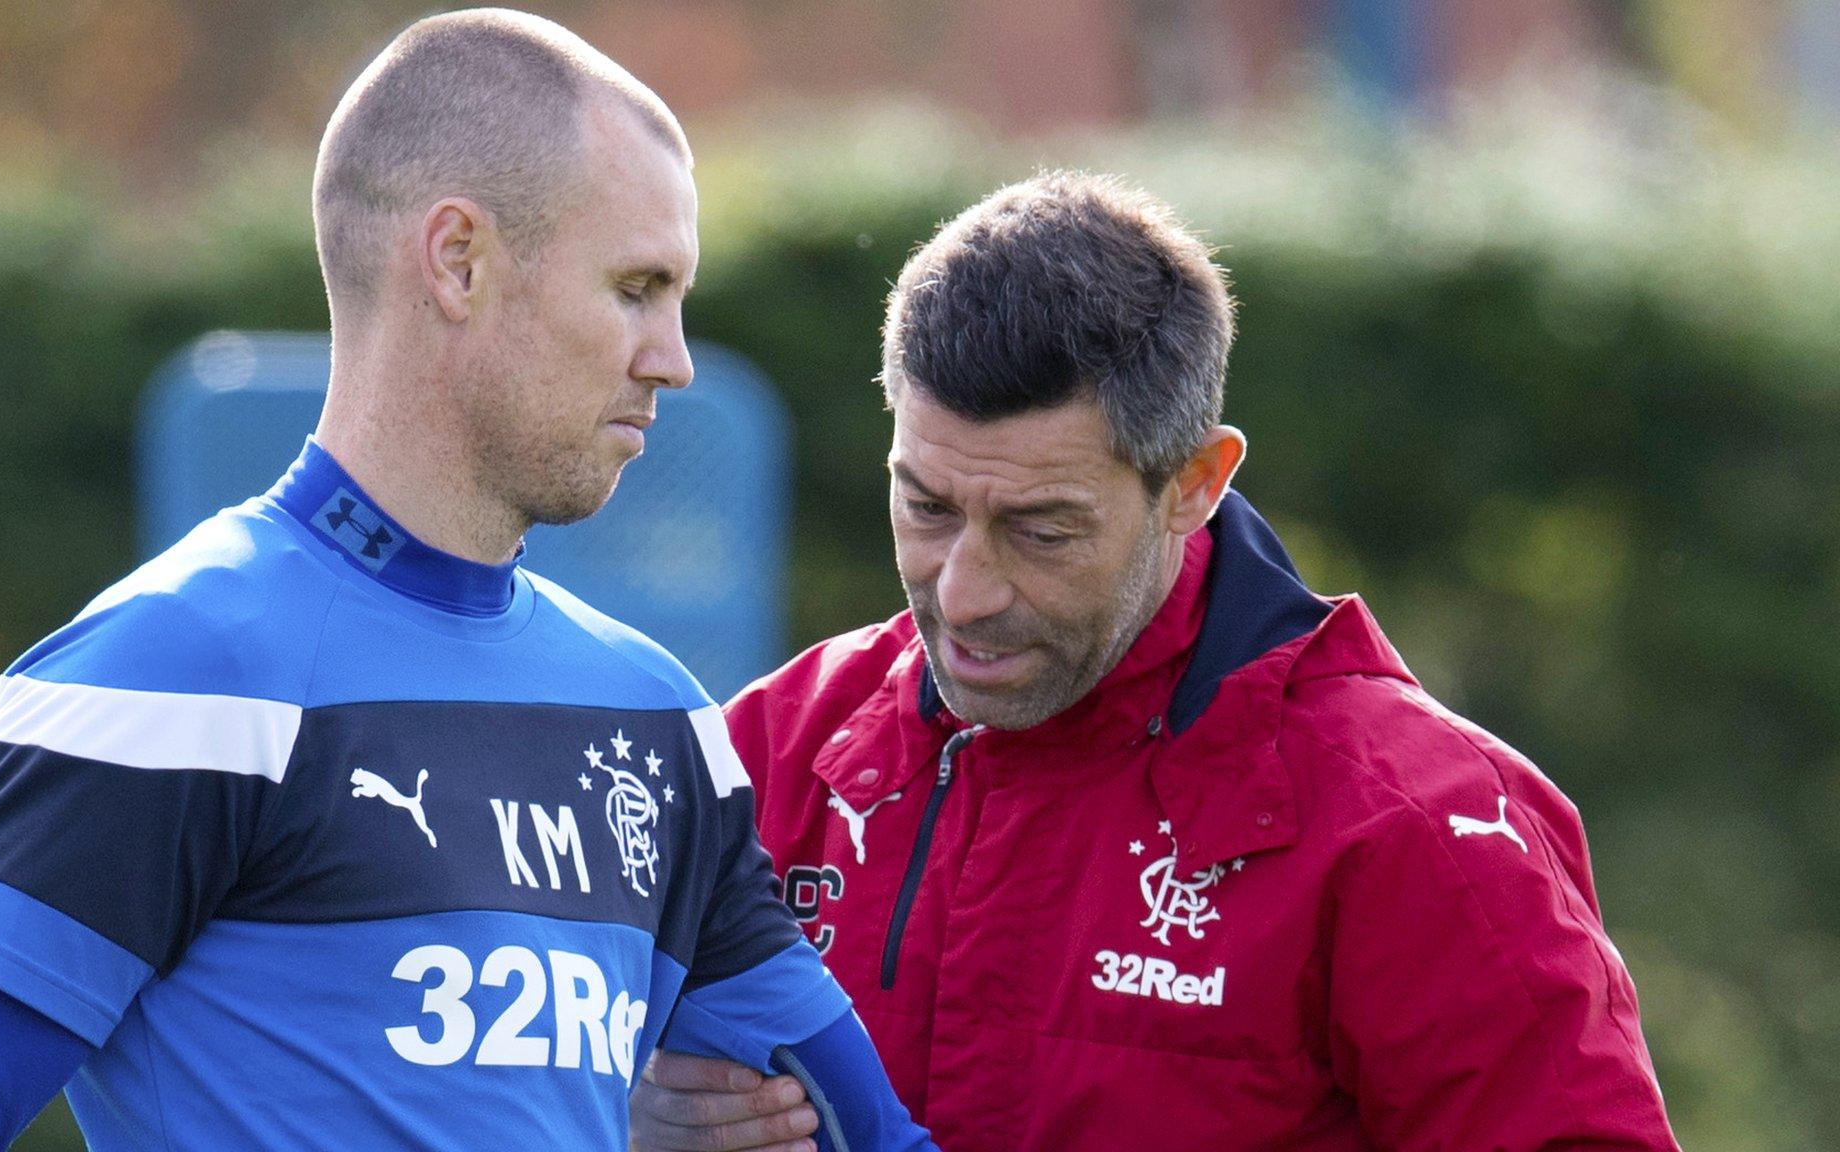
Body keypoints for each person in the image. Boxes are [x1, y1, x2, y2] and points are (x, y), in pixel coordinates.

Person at [0, 11, 930, 1151]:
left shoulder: (655, 720)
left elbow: (878, 1139)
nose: (673, 357)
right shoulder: (173, 676)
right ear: (457, 260)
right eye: (636, 287)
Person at [629, 172, 1682, 1150]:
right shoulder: (765, 749)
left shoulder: (1412, 826)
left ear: (1193, 483)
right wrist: (610, 1118)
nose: (962, 592)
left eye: (1041, 530)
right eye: (926, 506)